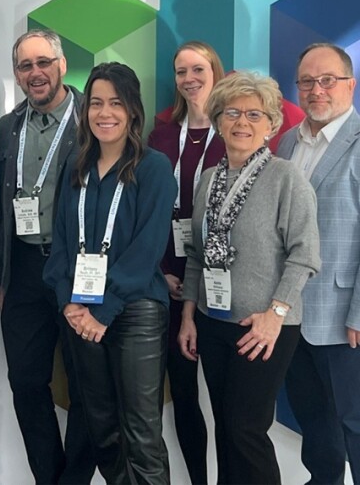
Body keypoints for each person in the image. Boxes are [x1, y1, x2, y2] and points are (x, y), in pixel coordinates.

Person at [178, 71, 320, 484]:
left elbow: (305, 255)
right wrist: (189, 315)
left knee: (246, 429)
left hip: (263, 327)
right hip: (212, 319)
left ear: (271, 124)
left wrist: (275, 314)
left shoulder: (285, 177)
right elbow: (195, 253)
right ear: (219, 120)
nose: (242, 122)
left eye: (254, 114)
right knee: (225, 427)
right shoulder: (208, 180)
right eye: (232, 113)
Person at [44, 61, 176, 484]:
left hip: (134, 312)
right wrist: (70, 300)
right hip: (81, 312)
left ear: (133, 110)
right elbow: (62, 241)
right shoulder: (76, 167)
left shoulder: (153, 168)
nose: (105, 113)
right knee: (101, 428)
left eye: (116, 103)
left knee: (140, 432)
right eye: (96, 103)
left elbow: (147, 248)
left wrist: (104, 309)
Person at [0, 29, 95, 484]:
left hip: (79, 269)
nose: (35, 73)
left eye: (43, 62)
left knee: (86, 387)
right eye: (25, 66)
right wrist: (3, 277)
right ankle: (48, 477)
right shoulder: (6, 128)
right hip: (25, 270)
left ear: (62, 64)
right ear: (16, 74)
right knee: (27, 383)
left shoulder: (94, 122)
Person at [278, 43, 360, 485]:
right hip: (293, 312)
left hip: (346, 316)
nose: (316, 90)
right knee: (315, 422)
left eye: (327, 80)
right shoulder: (290, 140)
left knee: (356, 423)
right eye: (307, 82)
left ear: (351, 83)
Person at [146, 40, 225, 484]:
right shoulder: (160, 136)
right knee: (183, 395)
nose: (189, 79)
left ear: (215, 72)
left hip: (216, 290)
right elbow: (146, 211)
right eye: (181, 72)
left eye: (198, 69)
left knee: (230, 406)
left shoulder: (235, 132)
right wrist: (161, 270)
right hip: (166, 284)